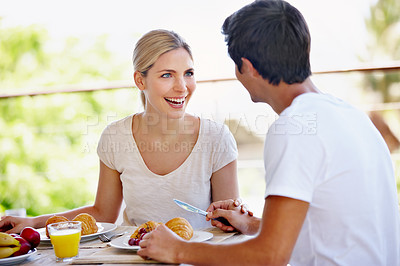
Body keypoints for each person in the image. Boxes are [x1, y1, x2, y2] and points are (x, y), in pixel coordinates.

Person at [137, 1, 400, 265]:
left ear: (247, 67)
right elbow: (330, 226)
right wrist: (251, 224)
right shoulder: (350, 116)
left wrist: (178, 249)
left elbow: (270, 256)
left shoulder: (294, 128)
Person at [0, 29, 240, 233]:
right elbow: (103, 213)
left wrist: (232, 216)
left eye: (188, 73)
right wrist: (34, 222)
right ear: (140, 81)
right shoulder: (116, 137)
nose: (182, 87)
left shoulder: (216, 138)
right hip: (134, 256)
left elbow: (227, 221)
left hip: (195, 257)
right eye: (167, 75)